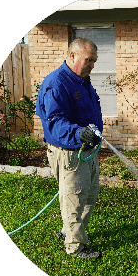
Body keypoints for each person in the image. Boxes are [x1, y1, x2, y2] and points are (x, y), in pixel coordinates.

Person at [36, 38, 103, 259]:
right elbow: (54, 121)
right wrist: (76, 133)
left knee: (88, 197)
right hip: (70, 154)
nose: (92, 65)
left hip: (87, 151)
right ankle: (75, 247)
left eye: (94, 60)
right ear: (72, 55)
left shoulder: (82, 81)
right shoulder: (56, 83)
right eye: (89, 60)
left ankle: (70, 232)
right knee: (73, 199)